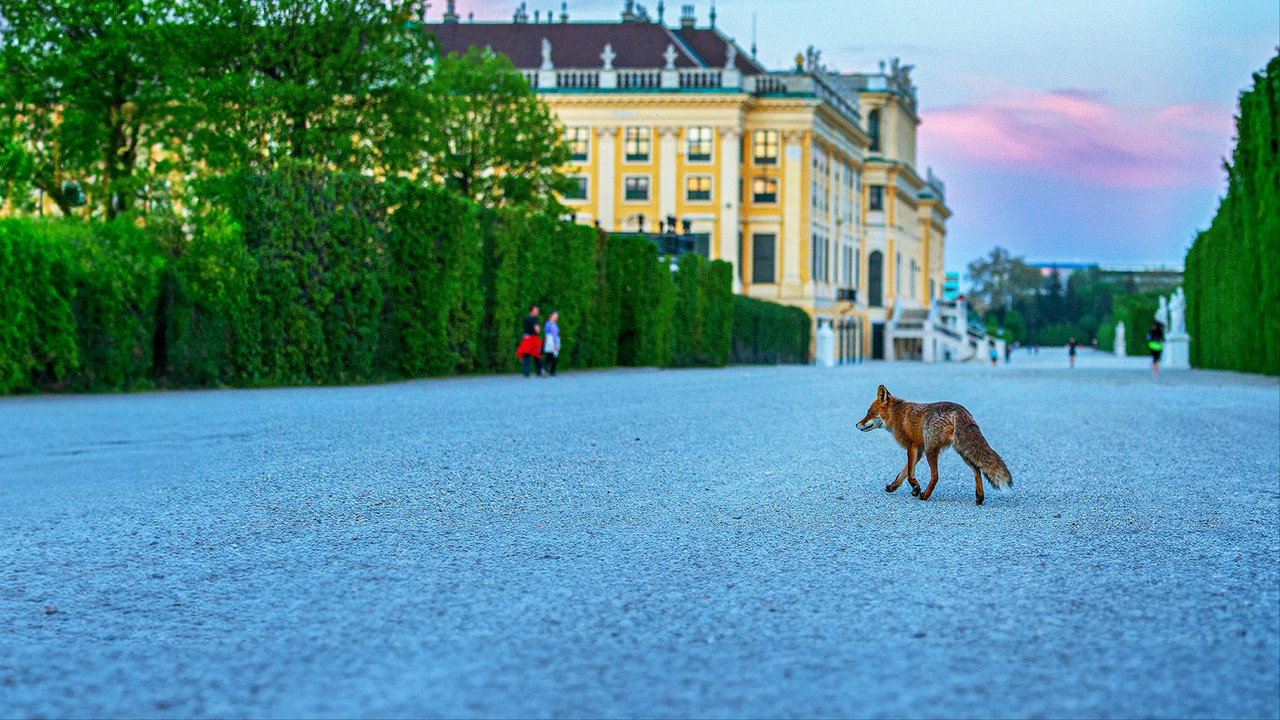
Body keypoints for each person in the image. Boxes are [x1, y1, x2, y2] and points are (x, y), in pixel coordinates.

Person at [517, 305, 542, 377]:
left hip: (526, 338)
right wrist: (538, 330)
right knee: (537, 354)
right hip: (533, 338)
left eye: (537, 311)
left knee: (526, 355)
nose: (537, 313)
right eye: (535, 311)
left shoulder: (526, 319)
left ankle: (526, 372)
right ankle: (539, 371)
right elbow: (537, 329)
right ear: (531, 312)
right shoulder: (535, 319)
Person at [542, 311, 561, 377]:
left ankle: (544, 369)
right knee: (554, 357)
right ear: (551, 316)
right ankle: (552, 371)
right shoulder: (553, 325)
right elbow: (554, 335)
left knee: (548, 357)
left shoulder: (547, 324)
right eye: (555, 317)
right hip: (553, 342)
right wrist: (556, 344)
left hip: (548, 342)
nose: (556, 318)